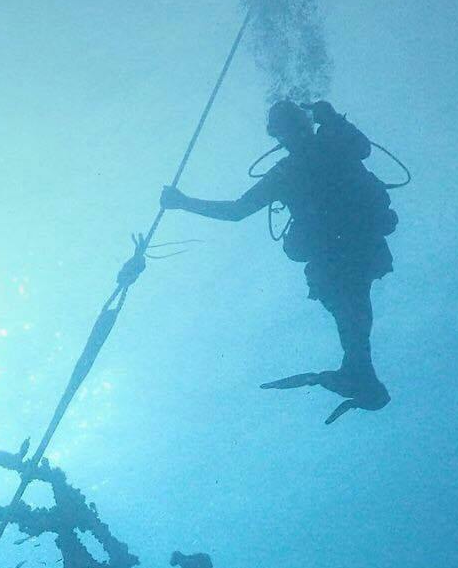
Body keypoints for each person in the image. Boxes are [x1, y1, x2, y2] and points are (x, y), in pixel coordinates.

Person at [161, 99, 398, 420]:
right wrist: (329, 116)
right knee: (351, 305)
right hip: (355, 246)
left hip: (341, 250)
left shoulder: (291, 168)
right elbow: (363, 148)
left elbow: (236, 211)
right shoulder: (331, 142)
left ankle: (359, 373)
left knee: (349, 305)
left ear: (277, 135)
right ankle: (359, 373)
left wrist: (183, 203)